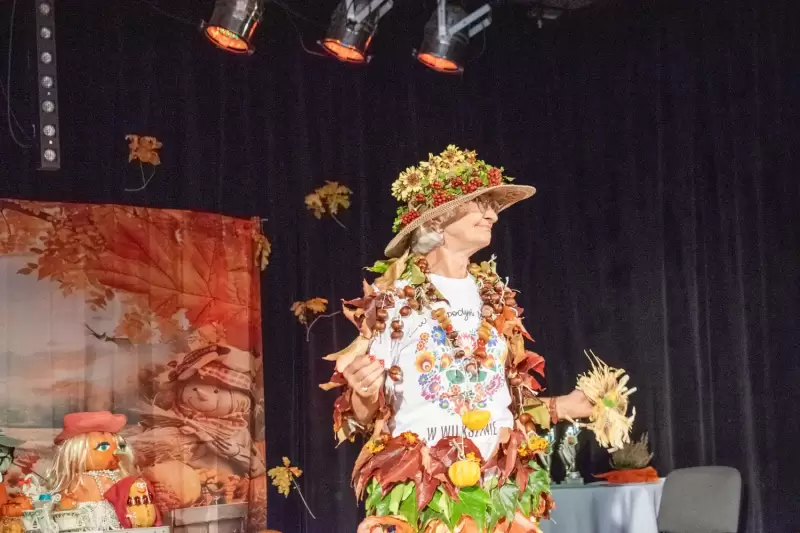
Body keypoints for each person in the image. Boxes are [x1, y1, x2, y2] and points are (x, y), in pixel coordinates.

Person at [321, 146, 635, 533]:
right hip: (428, 494)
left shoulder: (497, 300)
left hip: (496, 488)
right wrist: (364, 392)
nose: (492, 215)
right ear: (437, 217)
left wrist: (563, 406)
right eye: (479, 204)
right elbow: (365, 415)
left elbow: (501, 400)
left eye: (493, 207)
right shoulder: (396, 301)